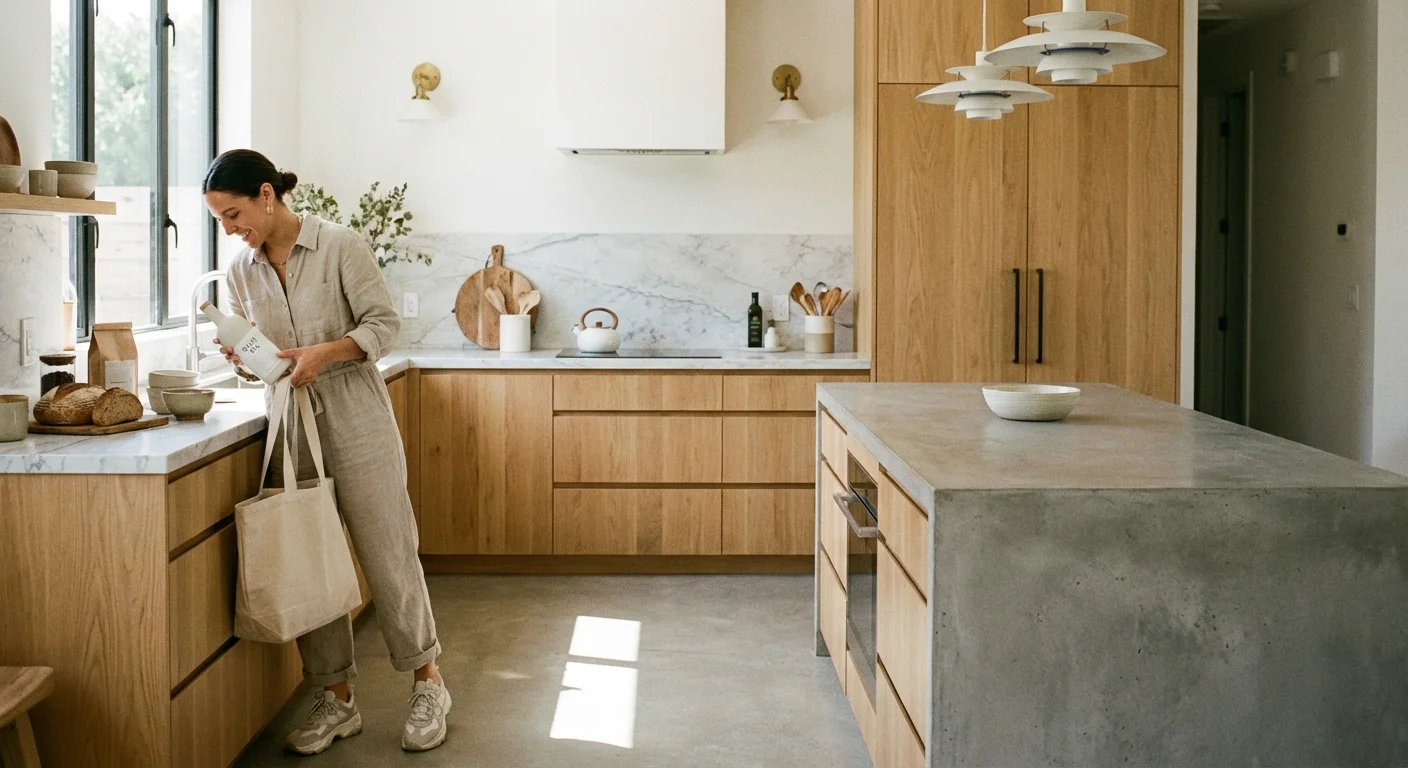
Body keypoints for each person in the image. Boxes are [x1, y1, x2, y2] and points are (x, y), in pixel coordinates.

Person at [202, 149, 450, 755]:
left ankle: (428, 681)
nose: (231, 230)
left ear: (267, 194)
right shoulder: (241, 272)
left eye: (234, 215)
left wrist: (325, 353)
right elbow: (268, 358)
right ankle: (335, 698)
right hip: (291, 422)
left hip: (358, 418)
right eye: (220, 222)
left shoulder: (341, 246)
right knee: (310, 554)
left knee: (388, 551)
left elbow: (382, 326)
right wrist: (247, 357)